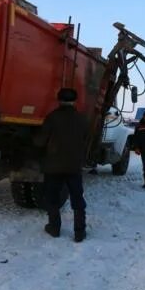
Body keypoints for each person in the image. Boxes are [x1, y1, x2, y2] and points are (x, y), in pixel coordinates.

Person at [34, 88, 89, 242]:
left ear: (59, 100)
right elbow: (85, 139)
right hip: (74, 166)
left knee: (52, 198)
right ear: (74, 101)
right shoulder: (81, 119)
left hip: (53, 167)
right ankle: (79, 232)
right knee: (77, 199)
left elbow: (41, 141)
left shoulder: (52, 118)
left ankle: (54, 228)